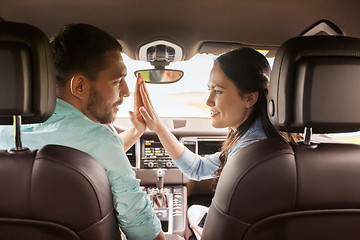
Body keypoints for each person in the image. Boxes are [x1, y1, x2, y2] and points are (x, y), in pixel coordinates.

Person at [0, 24, 165, 240]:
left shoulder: (5, 136)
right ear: (79, 86)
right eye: (117, 82)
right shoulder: (101, 140)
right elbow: (141, 229)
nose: (125, 91)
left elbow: (88, 156)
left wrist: (135, 131)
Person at [136, 47, 281, 238]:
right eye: (209, 90)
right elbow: (196, 168)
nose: (208, 101)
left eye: (218, 91)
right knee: (195, 209)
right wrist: (159, 128)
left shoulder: (246, 155)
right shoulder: (266, 141)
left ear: (249, 98)